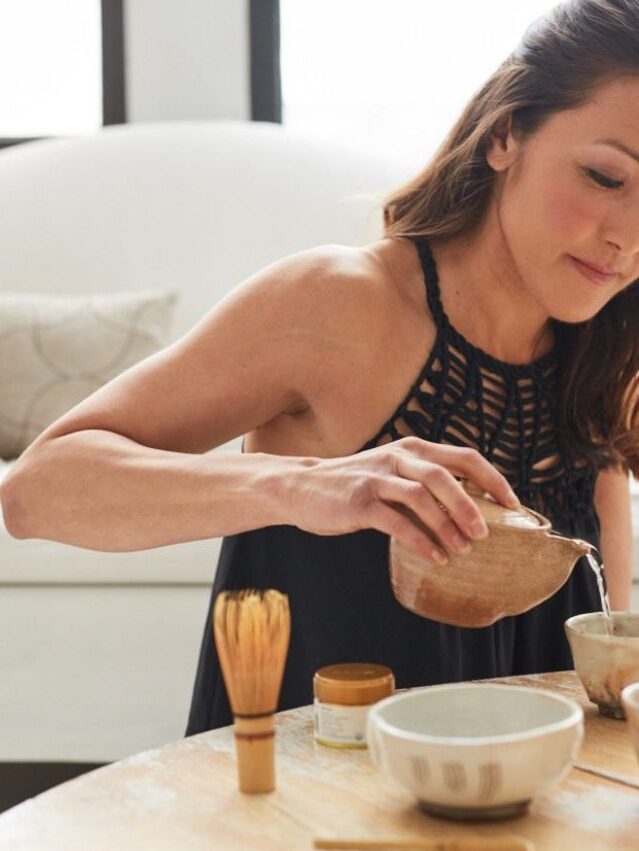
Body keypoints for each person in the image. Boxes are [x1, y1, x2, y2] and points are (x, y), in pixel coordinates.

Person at [1, 0, 638, 735]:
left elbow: (604, 682)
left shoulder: (603, 359)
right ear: (504, 135)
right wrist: (306, 485)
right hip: (304, 815)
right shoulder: (336, 305)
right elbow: (37, 489)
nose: (625, 238)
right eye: (603, 177)